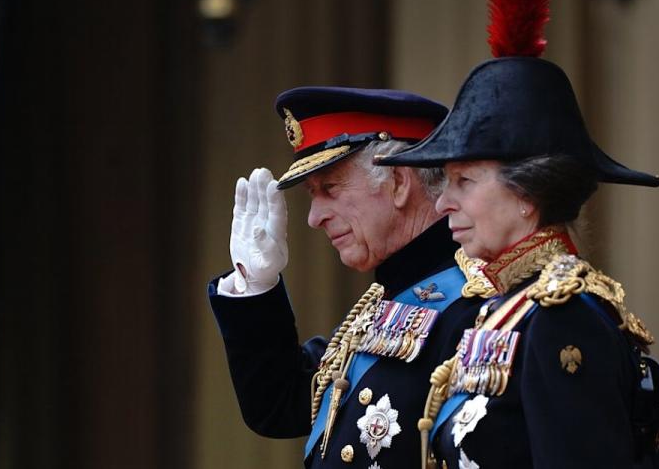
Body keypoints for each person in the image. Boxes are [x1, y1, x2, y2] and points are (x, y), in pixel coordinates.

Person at [376, 0, 659, 469]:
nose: (444, 202)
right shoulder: (503, 310)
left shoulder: (562, 318)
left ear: (528, 194)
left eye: (464, 181)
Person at [207, 87, 483, 468]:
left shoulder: (476, 304)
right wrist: (253, 287)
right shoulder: (384, 303)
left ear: (399, 181)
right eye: (312, 194)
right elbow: (281, 404)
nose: (314, 217)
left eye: (330, 189)